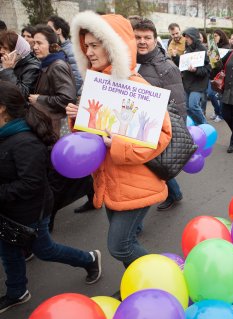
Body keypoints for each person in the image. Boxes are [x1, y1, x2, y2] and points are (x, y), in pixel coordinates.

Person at [68, 11, 172, 268]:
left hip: (137, 183)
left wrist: (117, 144)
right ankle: (139, 285)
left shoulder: (135, 84)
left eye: (95, 45)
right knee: (126, 244)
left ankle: (167, 275)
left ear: (113, 45)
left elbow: (162, 136)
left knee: (120, 245)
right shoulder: (96, 83)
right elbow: (89, 140)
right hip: (110, 181)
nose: (88, 51)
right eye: (86, 46)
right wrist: (78, 117)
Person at [0, 81, 101, 314]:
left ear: (3, 108)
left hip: (31, 212)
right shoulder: (7, 134)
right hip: (9, 211)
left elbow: (31, 184)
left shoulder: (24, 142)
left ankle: (89, 259)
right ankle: (17, 292)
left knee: (45, 250)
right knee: (9, 250)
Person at [29, 25, 95, 226]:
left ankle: (46, 223)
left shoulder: (56, 65)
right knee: (72, 172)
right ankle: (93, 195)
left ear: (53, 45)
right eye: (33, 43)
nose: (35, 47)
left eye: (39, 43)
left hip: (57, 128)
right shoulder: (44, 64)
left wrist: (40, 99)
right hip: (50, 126)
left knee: (55, 177)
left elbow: (66, 98)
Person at [132, 18, 186, 211]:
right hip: (133, 127)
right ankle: (175, 192)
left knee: (157, 166)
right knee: (153, 167)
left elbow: (179, 106)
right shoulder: (128, 63)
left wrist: (173, 135)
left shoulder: (167, 68)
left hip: (157, 131)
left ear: (155, 40)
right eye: (137, 37)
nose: (142, 41)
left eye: (147, 37)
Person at [47, 15, 84, 95]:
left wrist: (67, 95)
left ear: (59, 30)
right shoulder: (53, 49)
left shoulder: (71, 50)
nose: (46, 32)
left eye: (49, 28)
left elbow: (77, 78)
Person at [181, 27, 210, 125]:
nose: (186, 39)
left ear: (193, 37)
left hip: (198, 84)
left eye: (188, 37)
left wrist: (196, 70)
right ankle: (197, 126)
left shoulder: (203, 50)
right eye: (185, 37)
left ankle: (204, 125)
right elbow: (183, 65)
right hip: (187, 83)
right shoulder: (187, 49)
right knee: (187, 108)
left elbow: (207, 69)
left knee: (193, 105)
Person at [0, 30, 40, 99]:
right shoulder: (8, 62)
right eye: (1, 47)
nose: (1, 51)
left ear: (17, 51)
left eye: (5, 48)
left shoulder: (32, 67)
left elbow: (23, 93)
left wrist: (7, 70)